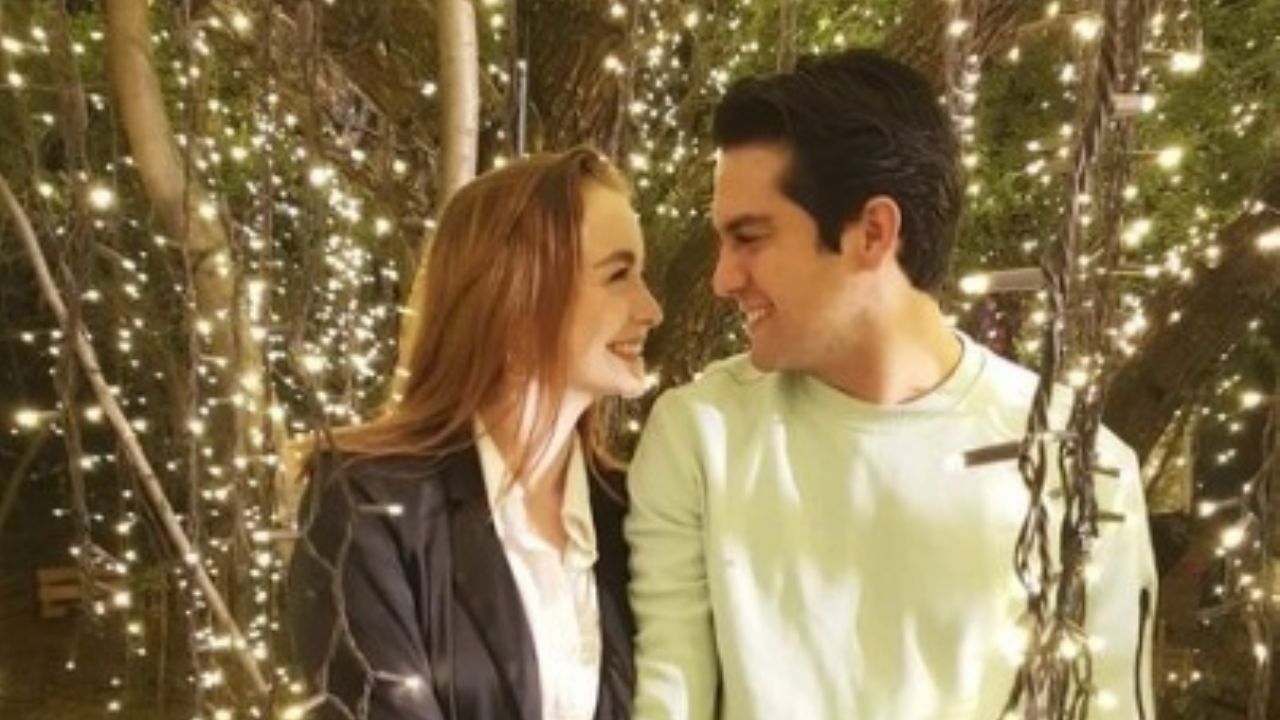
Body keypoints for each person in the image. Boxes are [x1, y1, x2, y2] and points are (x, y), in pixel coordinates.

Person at [625, 49, 1157, 719]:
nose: (723, 279)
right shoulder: (700, 437)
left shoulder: (1078, 462)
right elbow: (667, 700)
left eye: (750, 237)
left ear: (873, 232)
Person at [288, 147, 662, 720]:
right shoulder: (368, 502)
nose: (651, 308)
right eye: (618, 276)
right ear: (516, 299)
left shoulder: (639, 515)